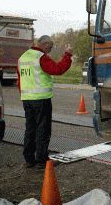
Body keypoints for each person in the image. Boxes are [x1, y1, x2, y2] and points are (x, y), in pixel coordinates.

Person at [17, 35, 72, 168]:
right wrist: (67, 55)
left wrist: (25, 95)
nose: (51, 49)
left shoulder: (23, 57)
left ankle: (29, 159)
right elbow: (57, 69)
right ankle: (41, 160)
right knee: (43, 129)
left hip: (27, 99)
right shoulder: (40, 57)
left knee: (30, 129)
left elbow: (20, 80)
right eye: (50, 46)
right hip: (41, 99)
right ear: (45, 43)